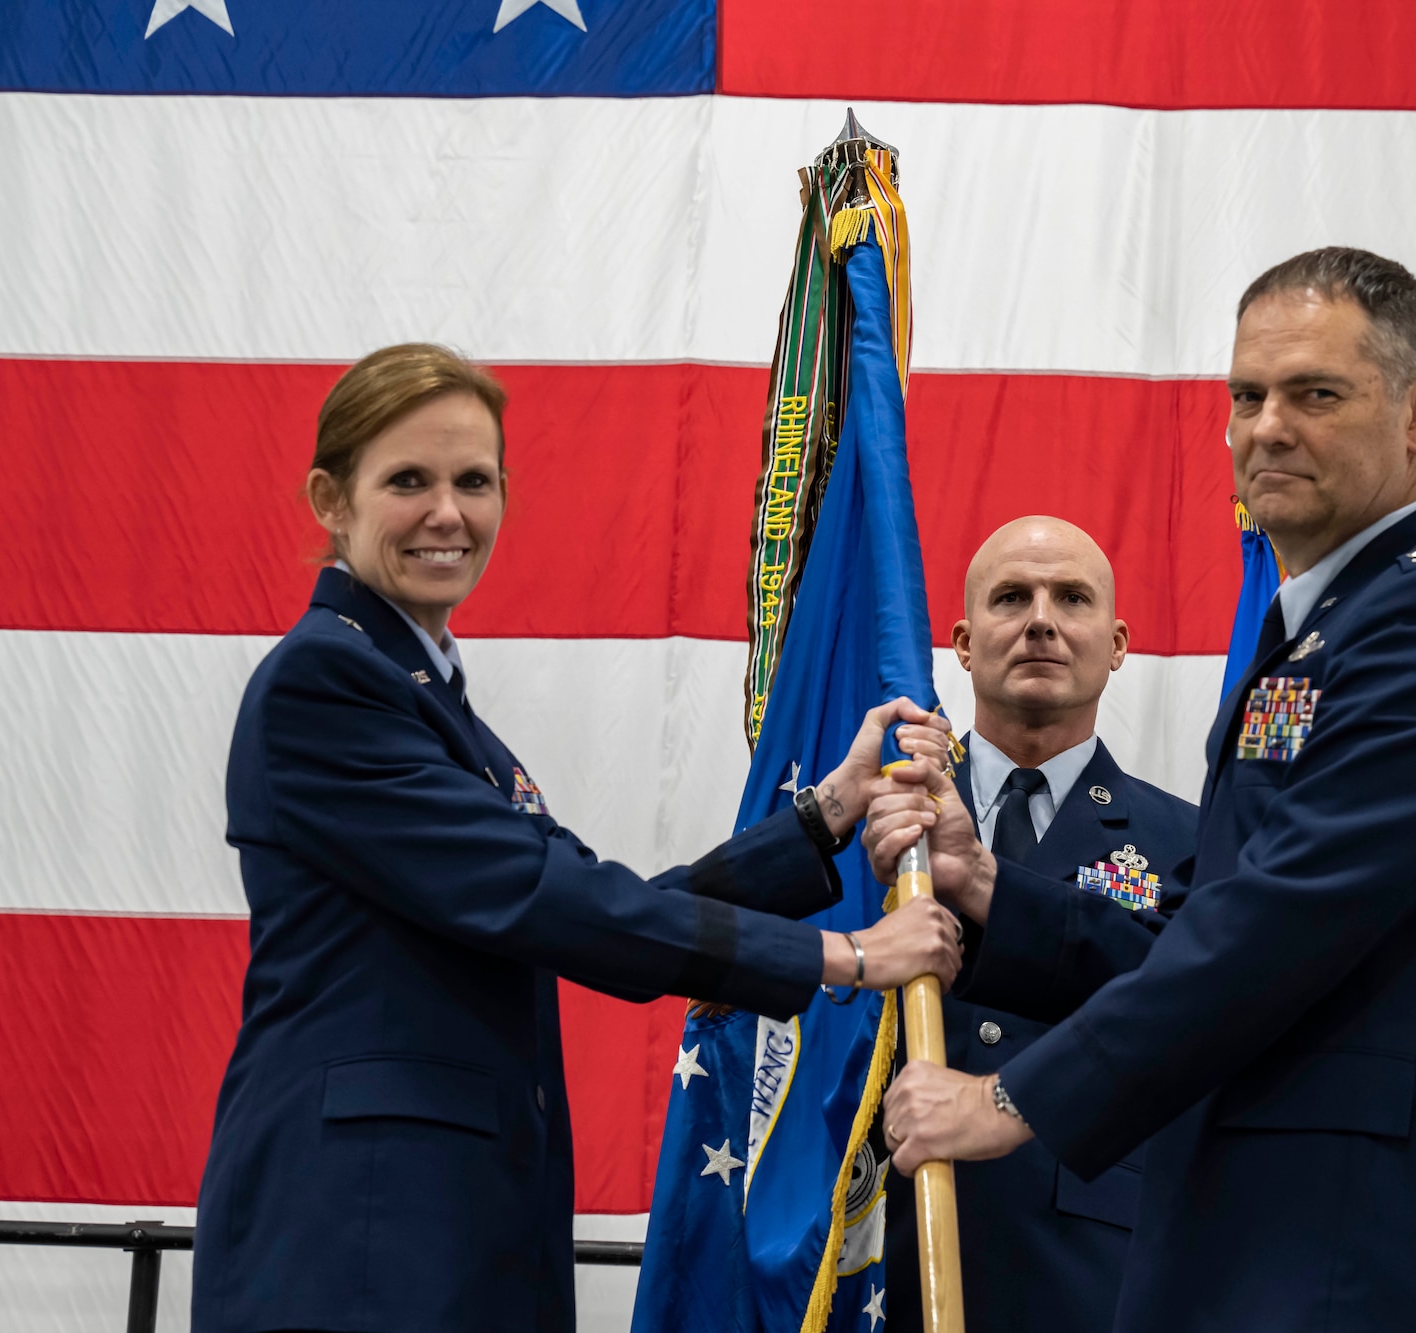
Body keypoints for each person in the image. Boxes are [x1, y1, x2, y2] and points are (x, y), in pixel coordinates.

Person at [192, 344, 962, 1333]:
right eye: (407, 481)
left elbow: (573, 896)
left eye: (473, 480)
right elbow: (548, 899)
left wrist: (822, 815)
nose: (447, 513)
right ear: (329, 500)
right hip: (359, 1241)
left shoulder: (422, 696)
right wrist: (845, 956)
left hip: (439, 1232)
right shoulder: (326, 686)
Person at [870, 249, 1416, 1331]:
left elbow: (1271, 925)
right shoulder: (1320, 633)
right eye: (1247, 395)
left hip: (1358, 1259)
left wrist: (1012, 1099)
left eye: (1314, 393)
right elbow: (1189, 931)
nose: (1266, 427)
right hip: (1267, 1244)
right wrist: (988, 884)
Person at [881, 517, 1196, 1333]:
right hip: (880, 1263)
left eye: (1072, 598)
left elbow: (1192, 1006)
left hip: (1092, 1280)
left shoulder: (1192, 843)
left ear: (1119, 641)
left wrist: (983, 883)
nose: (1041, 619)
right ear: (962, 639)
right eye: (1012, 596)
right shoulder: (882, 813)